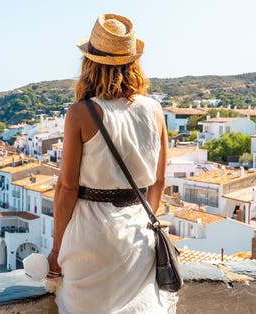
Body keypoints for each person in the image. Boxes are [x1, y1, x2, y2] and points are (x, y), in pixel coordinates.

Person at [47, 13, 169, 313]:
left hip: (91, 235)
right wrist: (141, 221)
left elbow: (66, 188)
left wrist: (56, 250)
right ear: (133, 63)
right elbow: (159, 181)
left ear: (89, 64)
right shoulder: (154, 110)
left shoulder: (80, 113)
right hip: (137, 235)